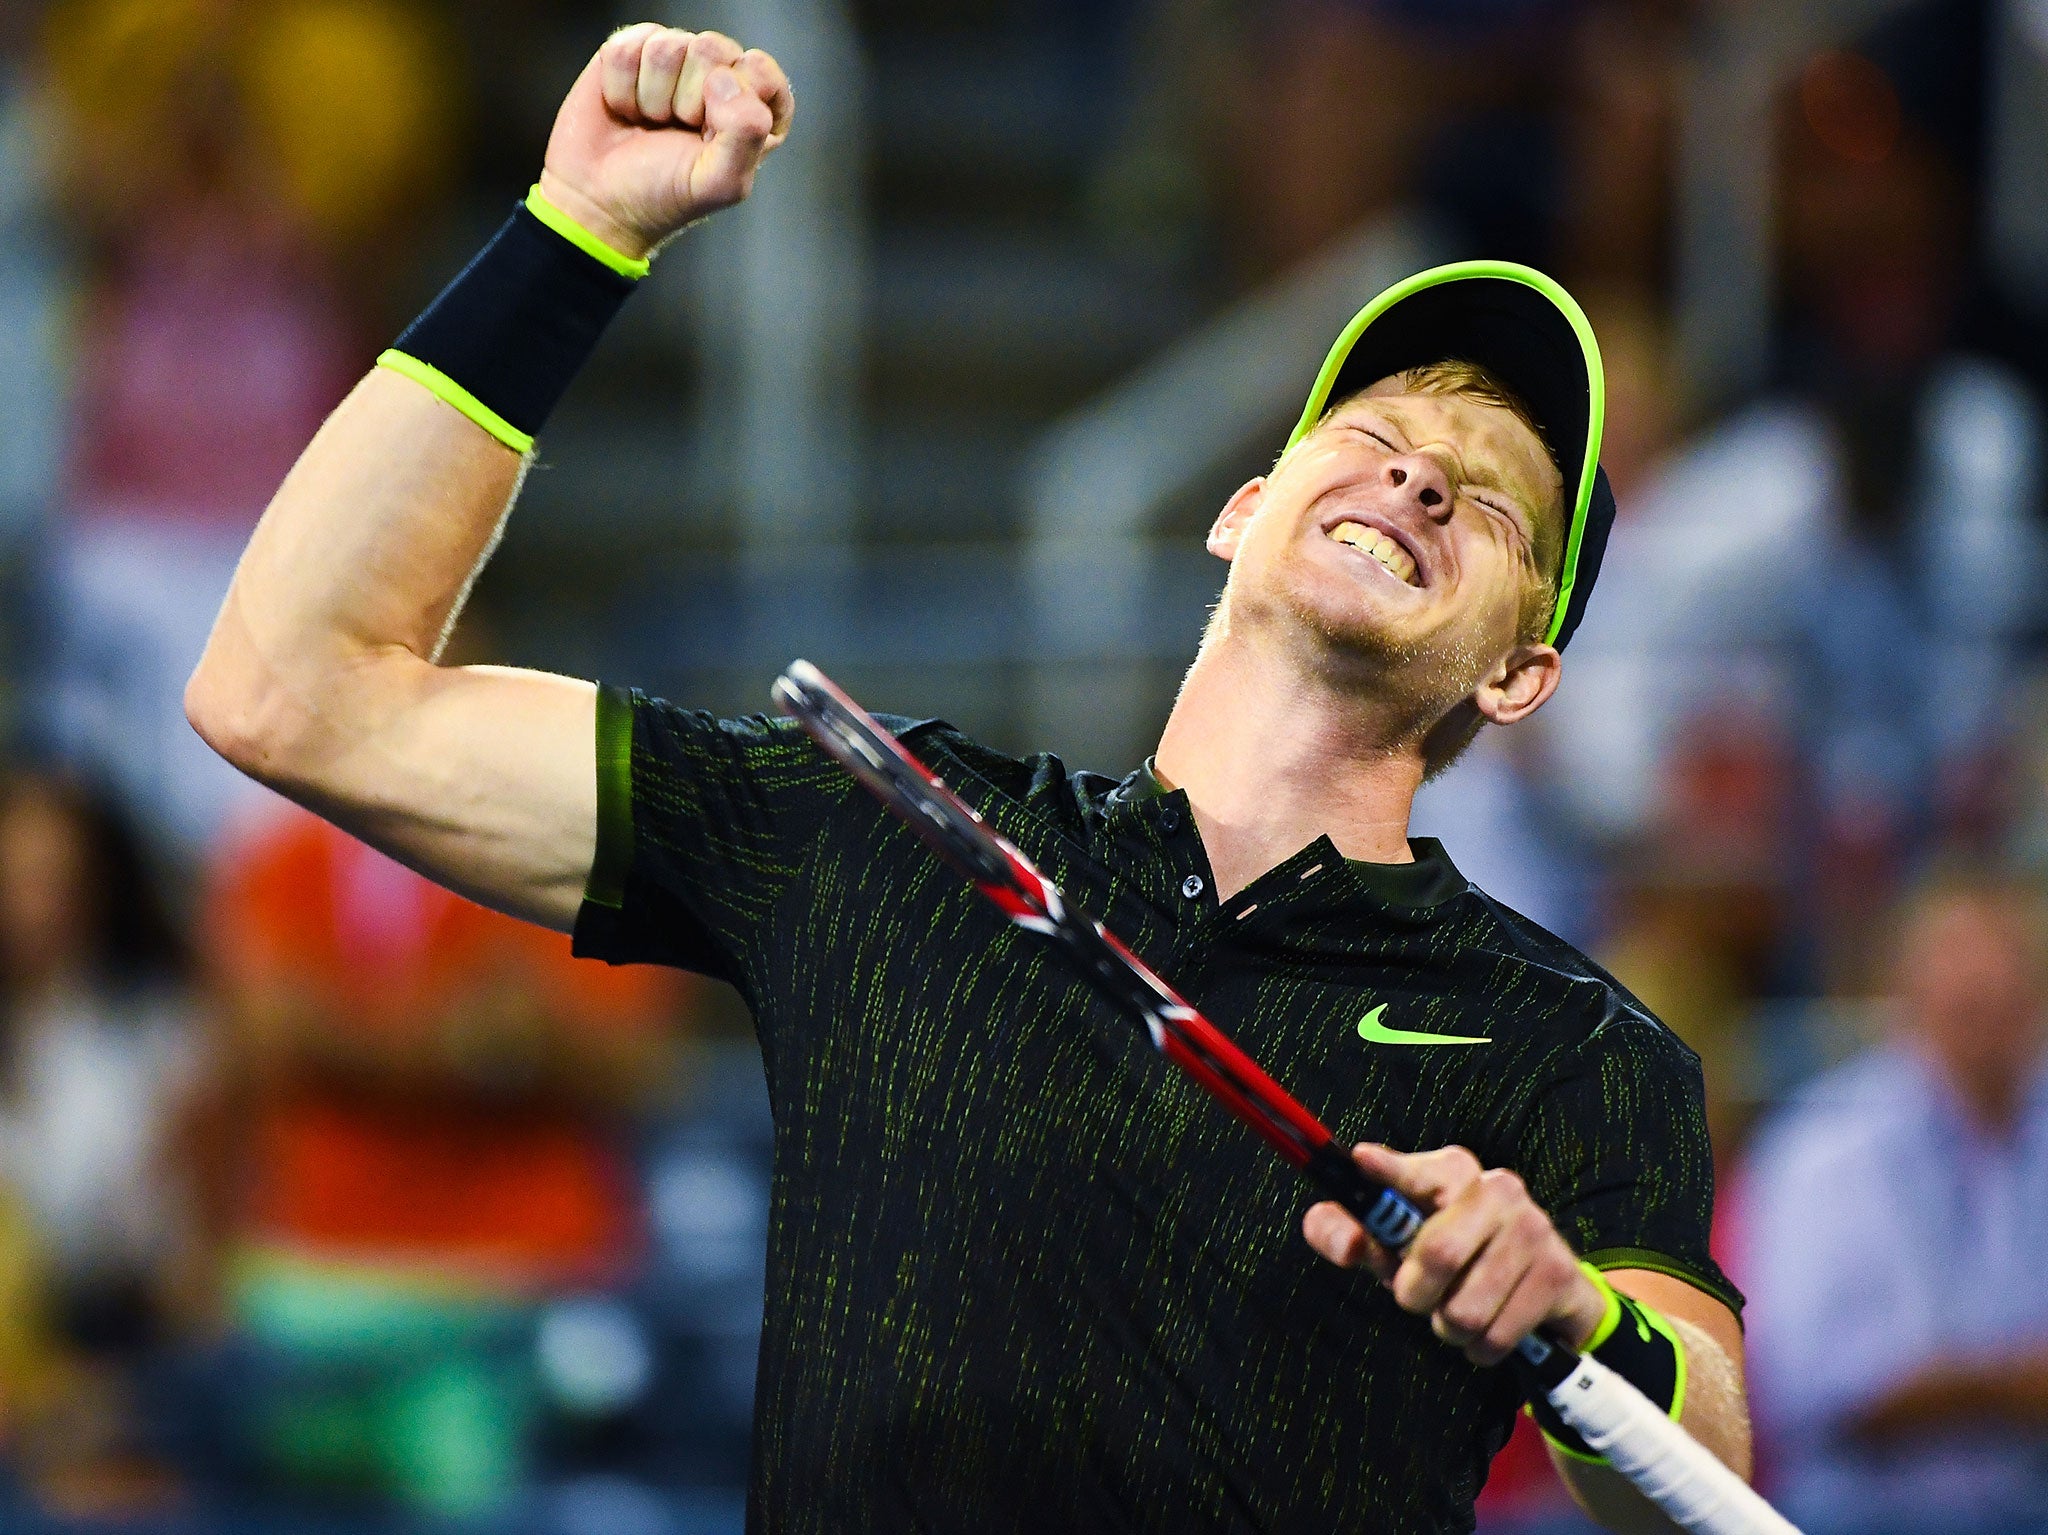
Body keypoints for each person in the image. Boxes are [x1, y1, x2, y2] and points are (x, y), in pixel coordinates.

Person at [184, 24, 1753, 1532]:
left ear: (1518, 672)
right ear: (1243, 506)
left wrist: (1574, 1318)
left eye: (1486, 506)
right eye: (1379, 431)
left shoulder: (1576, 1041)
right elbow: (292, 688)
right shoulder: (884, 831)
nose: (1416, 474)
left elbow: (1708, 1465)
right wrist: (576, 229)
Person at [197, 800, 682, 1515]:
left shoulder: (575, 851)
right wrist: (472, 1051)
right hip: (319, 1279)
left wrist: (349, 1039)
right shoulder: (279, 858)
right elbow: (263, 1039)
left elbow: (631, 1065)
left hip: (520, 1279)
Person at [1737, 868, 2048, 1535]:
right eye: (1967, 1000)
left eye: (2008, 995)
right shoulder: (1819, 1147)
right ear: (1904, 995)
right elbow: (1796, 1387)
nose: (1990, 1019)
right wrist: (1995, 1384)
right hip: (1860, 1515)